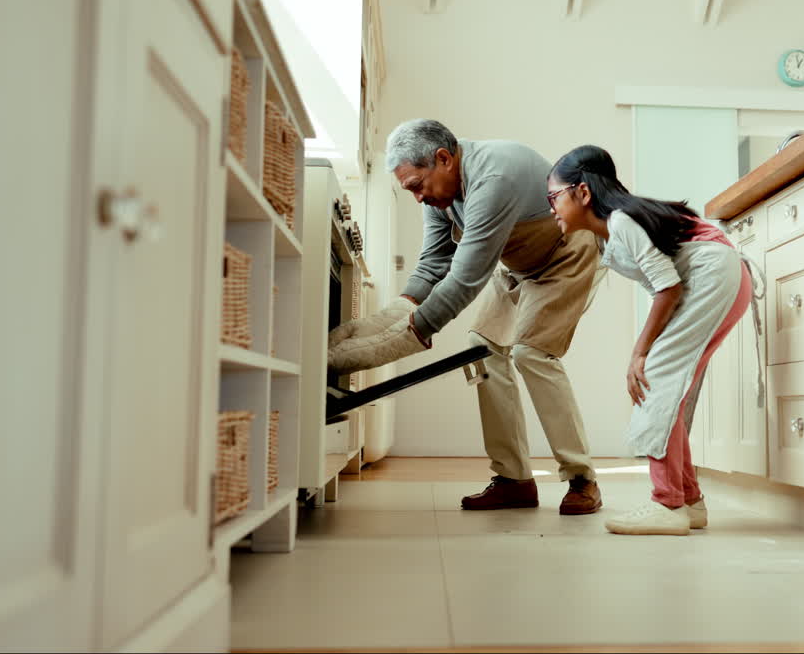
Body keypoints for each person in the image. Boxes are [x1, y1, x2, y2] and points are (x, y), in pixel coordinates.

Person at [327, 119, 604, 515]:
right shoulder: (441, 195)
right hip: (517, 267)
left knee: (532, 353)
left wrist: (407, 336)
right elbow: (433, 264)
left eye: (417, 186)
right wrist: (392, 315)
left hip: (566, 255)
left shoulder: (494, 176)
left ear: (443, 159)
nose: (418, 198)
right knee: (481, 348)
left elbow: (465, 279)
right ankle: (513, 480)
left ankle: (581, 478)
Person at [545, 144, 764, 536]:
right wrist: (646, 349)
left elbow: (668, 287)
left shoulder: (622, 222)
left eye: (554, 196)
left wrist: (639, 352)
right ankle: (688, 501)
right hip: (720, 277)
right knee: (666, 389)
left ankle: (667, 504)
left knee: (654, 380)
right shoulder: (614, 229)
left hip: (713, 277)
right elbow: (667, 285)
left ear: (582, 192)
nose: (551, 207)